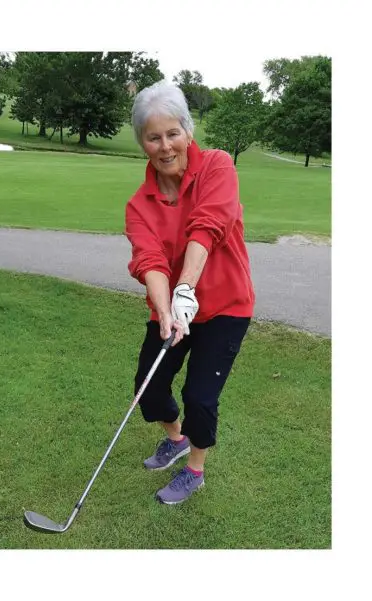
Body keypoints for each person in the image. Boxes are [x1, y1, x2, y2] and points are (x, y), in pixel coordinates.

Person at [124, 81, 256, 505]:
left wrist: (186, 287)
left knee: (199, 395)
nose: (164, 146)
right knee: (149, 384)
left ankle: (194, 469)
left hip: (225, 307)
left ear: (188, 130)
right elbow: (150, 262)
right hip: (174, 308)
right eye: (153, 137)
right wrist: (166, 310)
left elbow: (208, 227)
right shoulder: (138, 205)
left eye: (172, 133)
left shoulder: (217, 166)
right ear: (142, 142)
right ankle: (176, 439)